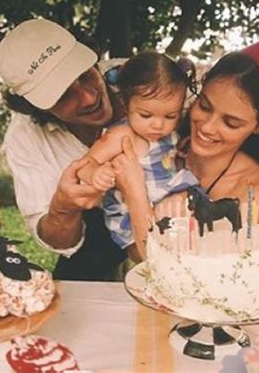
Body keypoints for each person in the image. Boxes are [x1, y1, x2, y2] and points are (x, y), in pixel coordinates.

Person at [112, 19, 259, 261]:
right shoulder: (162, 144)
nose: (207, 127)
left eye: (230, 123)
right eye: (205, 106)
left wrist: (134, 188)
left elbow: (170, 262)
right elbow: (130, 249)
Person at [0, 18, 129, 280]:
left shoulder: (136, 78)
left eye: (85, 75)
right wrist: (63, 208)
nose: (89, 97)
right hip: (97, 237)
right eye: (63, 95)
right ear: (35, 107)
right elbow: (56, 239)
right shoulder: (24, 137)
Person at [76, 51, 198, 250]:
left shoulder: (170, 134)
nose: (158, 125)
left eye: (170, 116)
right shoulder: (121, 135)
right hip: (131, 217)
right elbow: (84, 164)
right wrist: (95, 173)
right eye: (146, 115)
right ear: (126, 104)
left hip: (168, 206)